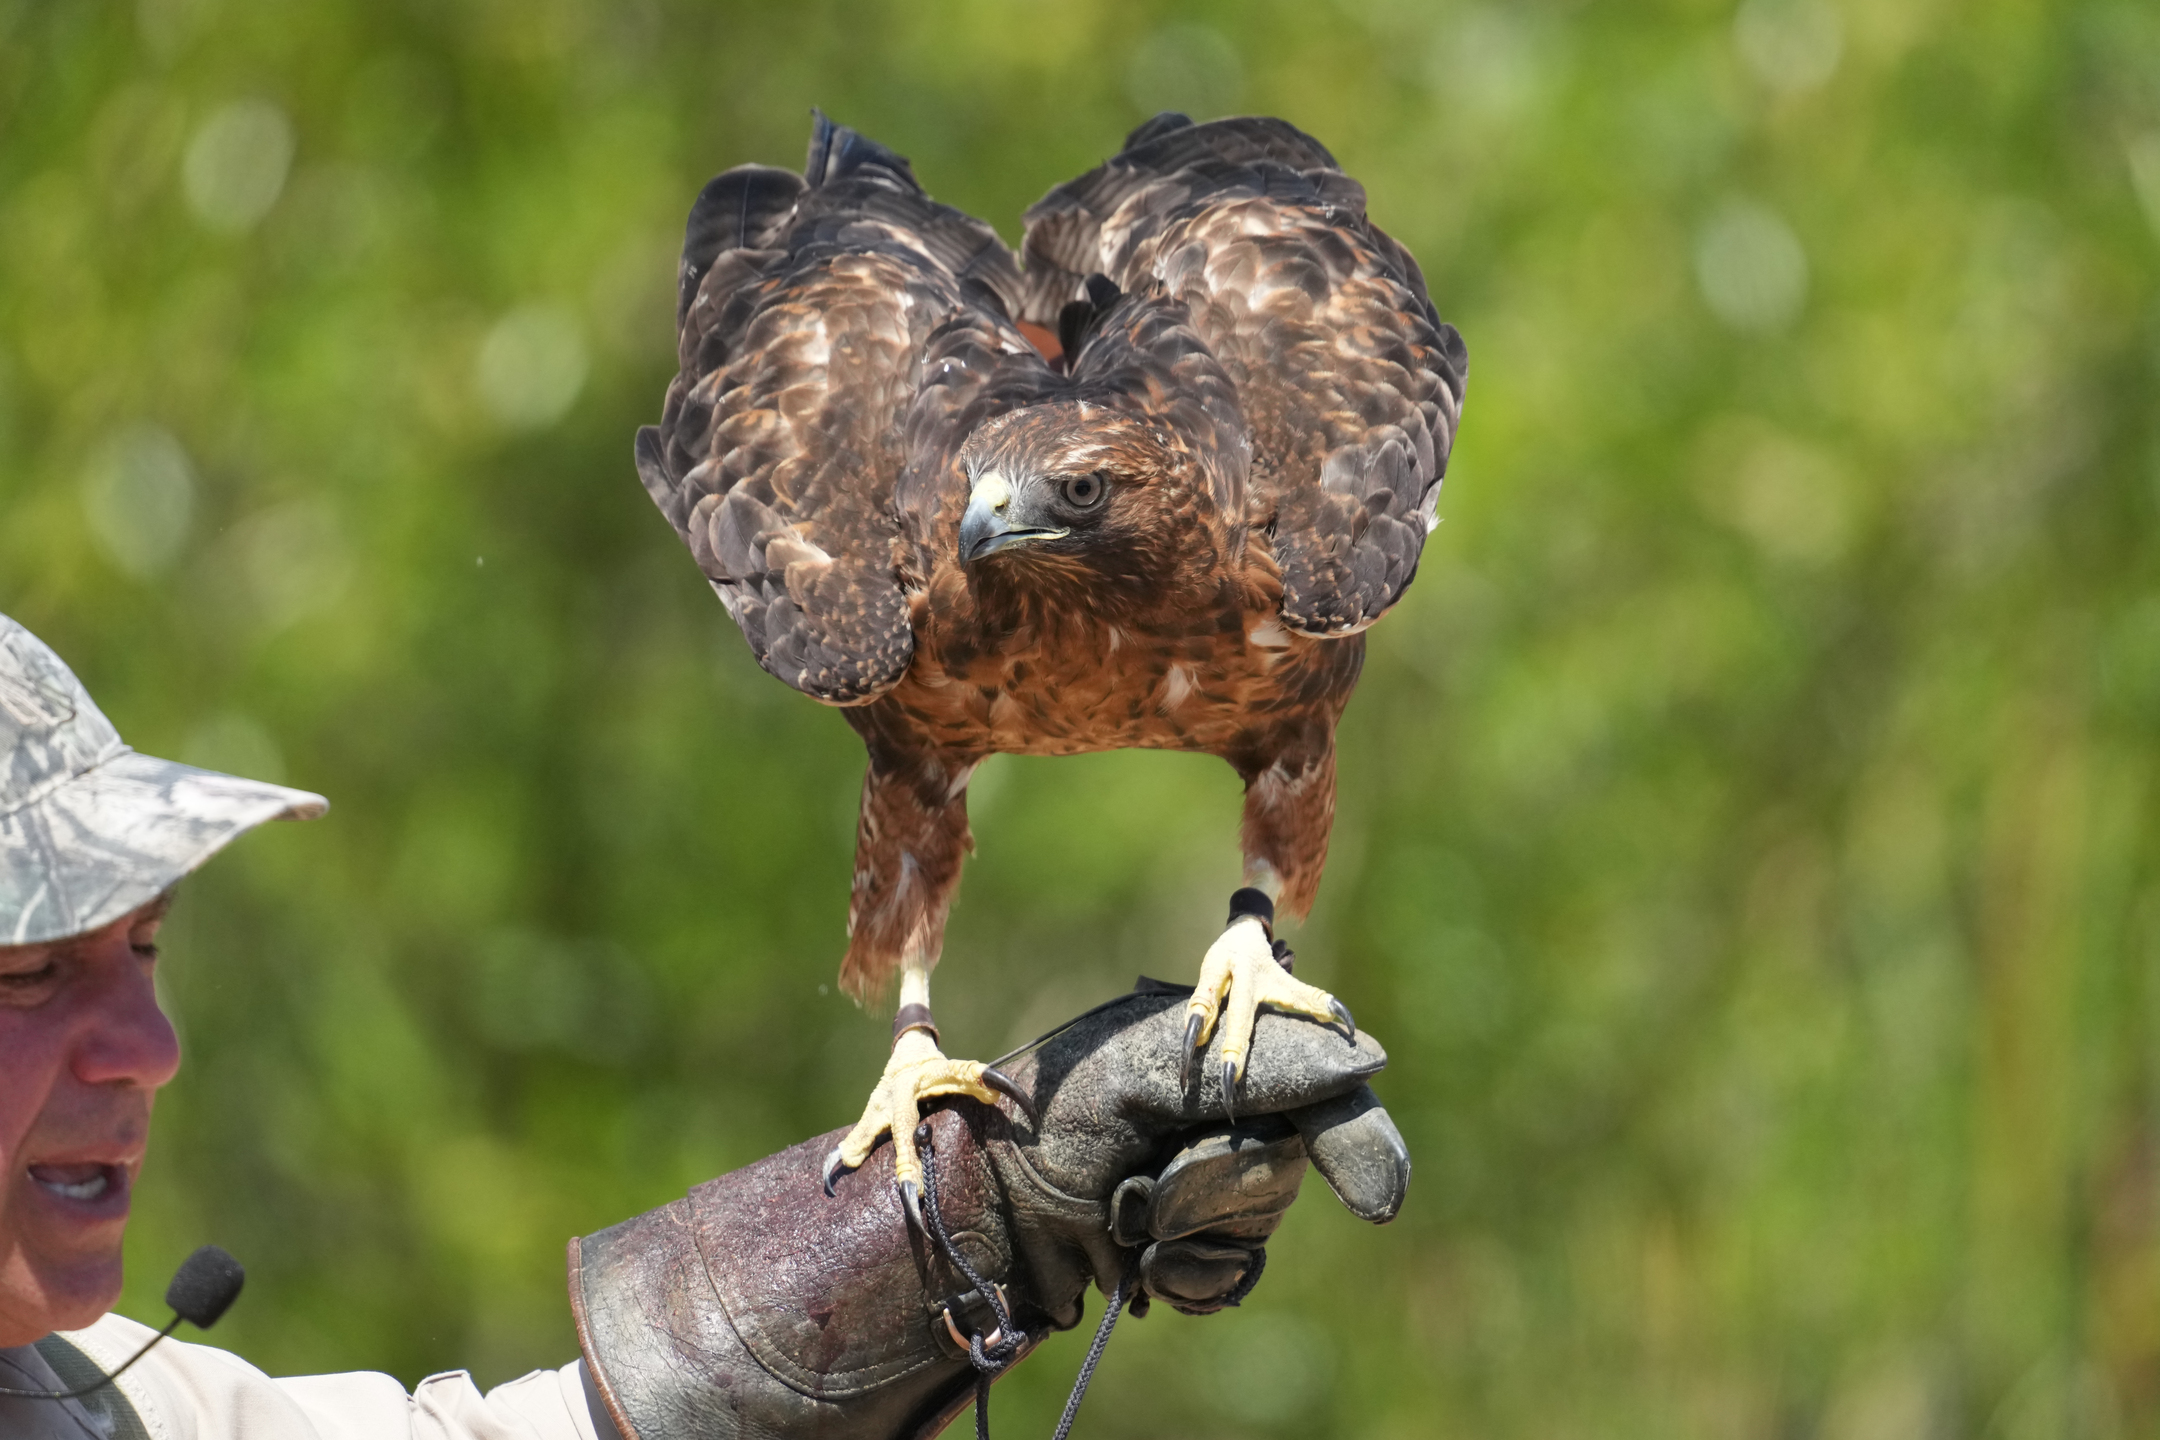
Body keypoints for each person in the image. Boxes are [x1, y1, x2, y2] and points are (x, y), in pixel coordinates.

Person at [0, 612, 1409, 1439]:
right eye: (32, 973)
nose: (149, 1044)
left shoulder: (95, 1404)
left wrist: (973, 1218)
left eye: (144, 947)